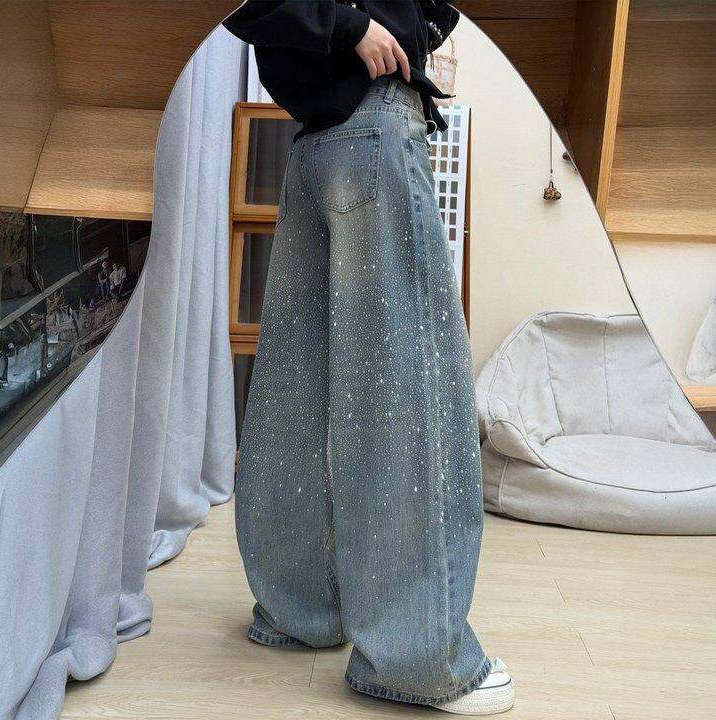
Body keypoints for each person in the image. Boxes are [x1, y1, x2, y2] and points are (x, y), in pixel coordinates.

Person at [223, 1, 514, 715]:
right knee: (409, 391)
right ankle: (418, 661)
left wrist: (364, 25)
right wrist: (354, 25)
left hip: (314, 144)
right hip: (374, 128)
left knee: (300, 387)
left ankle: (299, 610)